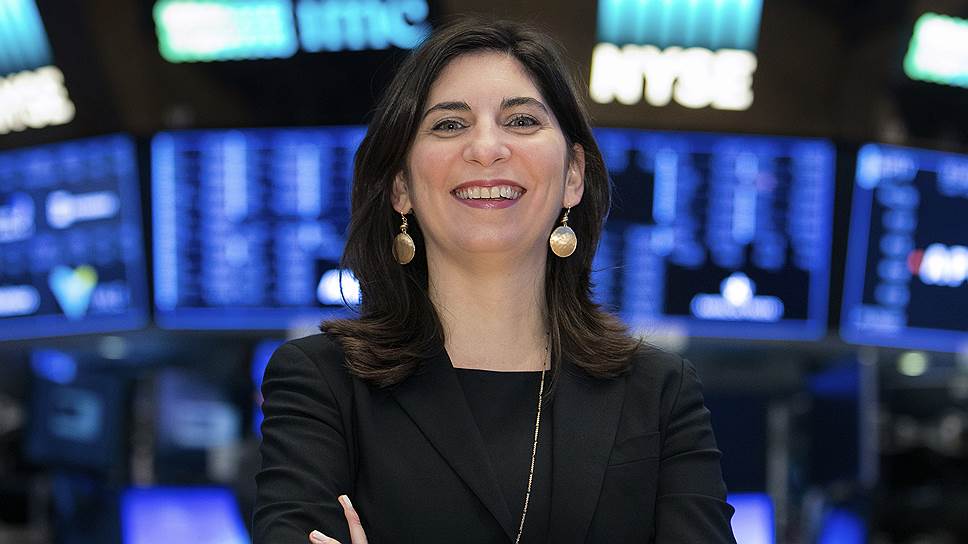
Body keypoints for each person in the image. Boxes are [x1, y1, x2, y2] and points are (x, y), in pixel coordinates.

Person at [253, 17, 736, 544]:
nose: (486, 148)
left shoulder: (660, 392)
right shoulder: (321, 382)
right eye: (449, 125)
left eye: (522, 121)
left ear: (573, 175)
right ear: (400, 187)